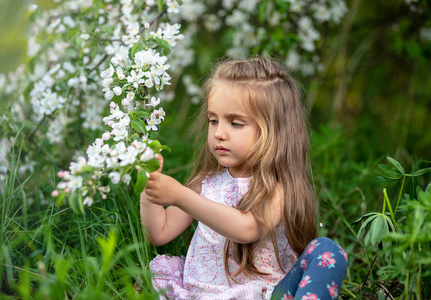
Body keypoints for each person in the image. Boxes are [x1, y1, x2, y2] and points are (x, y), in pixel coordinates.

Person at [140, 56, 348, 300]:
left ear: (275, 131)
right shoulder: (206, 183)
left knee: (328, 250)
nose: (219, 133)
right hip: (204, 295)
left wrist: (181, 196)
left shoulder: (278, 188)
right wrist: (149, 185)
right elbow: (158, 232)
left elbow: (247, 228)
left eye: (236, 123)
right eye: (213, 120)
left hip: (266, 294)